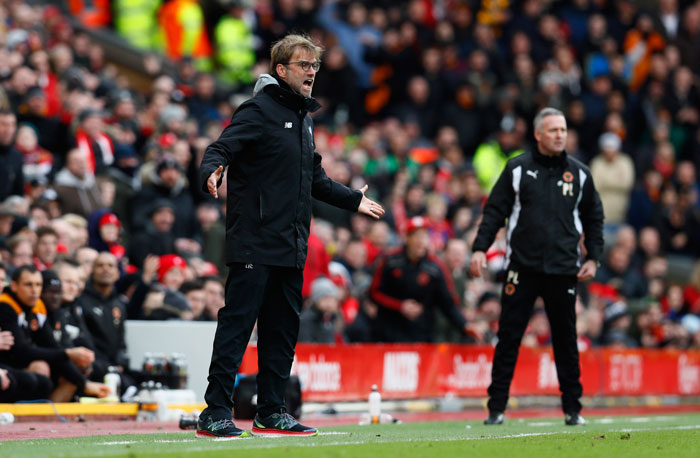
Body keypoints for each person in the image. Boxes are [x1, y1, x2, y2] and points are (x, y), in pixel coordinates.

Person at [197, 34, 384, 439]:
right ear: (281, 70)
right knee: (238, 325)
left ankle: (271, 411)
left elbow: (314, 179)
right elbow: (220, 147)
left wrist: (353, 200)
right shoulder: (258, 110)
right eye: (304, 65)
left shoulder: (304, 120)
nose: (312, 72)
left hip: (291, 244)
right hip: (254, 239)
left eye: (315, 66)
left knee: (282, 332)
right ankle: (214, 412)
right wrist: (212, 170)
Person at [470, 107, 604, 426]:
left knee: (566, 340)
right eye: (553, 129)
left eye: (563, 129)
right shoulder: (516, 169)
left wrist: (594, 257)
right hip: (522, 268)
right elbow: (494, 212)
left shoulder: (580, 173)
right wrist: (479, 249)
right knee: (509, 338)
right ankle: (496, 408)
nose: (560, 134)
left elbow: (594, 217)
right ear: (538, 134)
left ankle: (573, 409)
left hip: (562, 268)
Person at [369, 216, 470, 343]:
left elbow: (449, 303)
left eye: (424, 236)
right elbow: (374, 293)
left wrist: (465, 325)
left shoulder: (436, 267)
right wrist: (400, 306)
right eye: (416, 236)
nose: (420, 241)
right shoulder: (389, 261)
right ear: (406, 238)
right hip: (388, 331)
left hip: (422, 333)